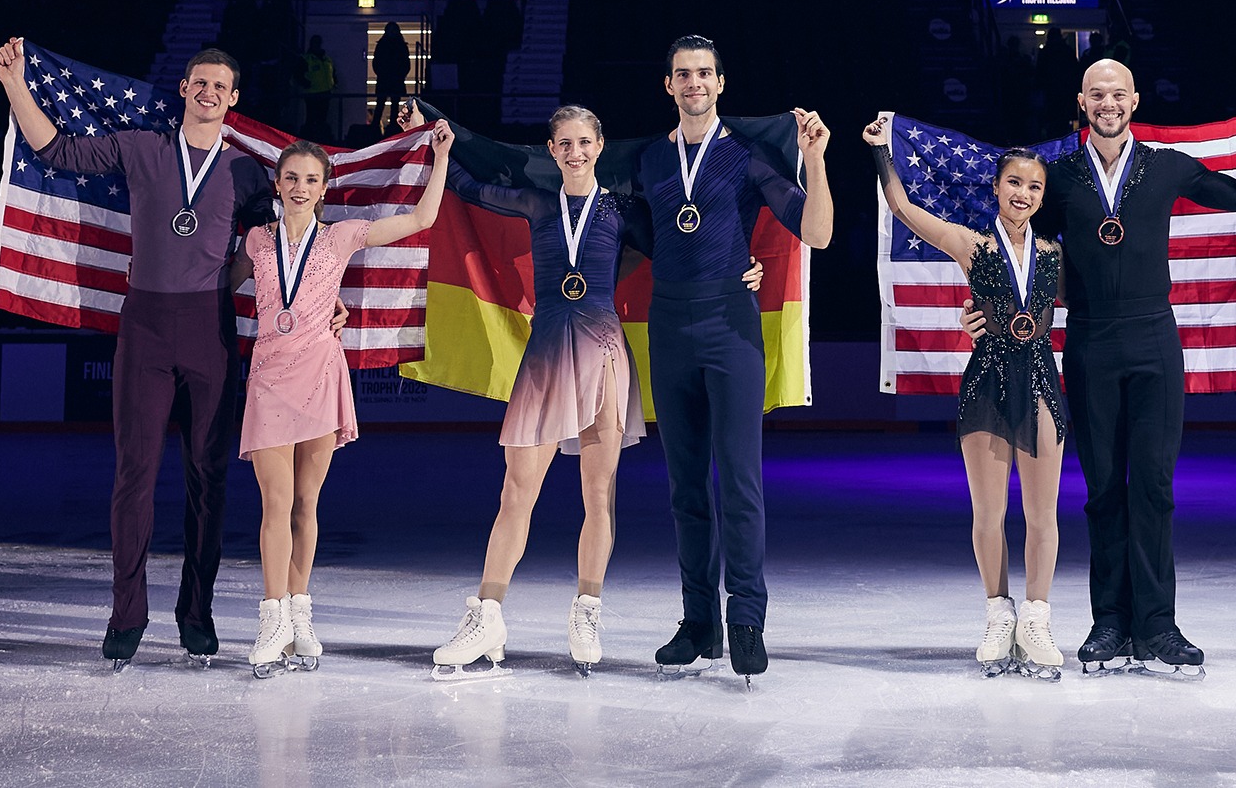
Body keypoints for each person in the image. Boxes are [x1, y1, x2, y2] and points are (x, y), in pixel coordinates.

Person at [962, 60, 1236, 676]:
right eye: (1096, 94)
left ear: (1134, 100)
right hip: (1091, 346)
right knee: (1103, 491)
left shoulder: (1166, 166)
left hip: (1155, 341)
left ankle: (1158, 625)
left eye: (1117, 94)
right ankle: (1109, 624)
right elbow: (1015, 252)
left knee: (1153, 487)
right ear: (1082, 101)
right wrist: (987, 314)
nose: (1108, 103)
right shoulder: (1062, 178)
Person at [397, 102, 764, 677]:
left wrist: (743, 267)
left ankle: (587, 611)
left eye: (584, 142)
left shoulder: (623, 212)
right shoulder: (537, 203)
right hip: (546, 358)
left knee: (600, 496)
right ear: (552, 150)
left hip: (602, 359)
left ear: (599, 146)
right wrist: (435, 143)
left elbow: (688, 240)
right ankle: (487, 615)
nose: (574, 152)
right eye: (563, 143)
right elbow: (467, 189)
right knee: (517, 492)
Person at [0, 39, 275, 671]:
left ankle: (195, 615)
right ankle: (127, 615)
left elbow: (282, 240)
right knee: (133, 475)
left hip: (210, 330)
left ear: (234, 99)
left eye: (220, 87)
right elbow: (57, 150)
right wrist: (15, 83)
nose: (208, 93)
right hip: (144, 326)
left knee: (209, 477)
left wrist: (322, 299)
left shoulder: (247, 172)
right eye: (199, 83)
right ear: (184, 88)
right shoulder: (143, 148)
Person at [638, 35, 833, 685]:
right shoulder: (644, 161)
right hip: (667, 327)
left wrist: (816, 160)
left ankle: (746, 620)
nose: (693, 83)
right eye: (682, 74)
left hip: (730, 327)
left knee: (740, 483)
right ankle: (699, 623)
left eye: (704, 74)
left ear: (720, 83)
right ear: (668, 85)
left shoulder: (746, 157)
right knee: (685, 486)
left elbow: (818, 232)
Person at [231, 122, 455, 677]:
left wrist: (440, 156)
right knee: (274, 507)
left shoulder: (341, 237)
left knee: (306, 505)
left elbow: (421, 220)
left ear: (325, 187)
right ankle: (271, 617)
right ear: (277, 183)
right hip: (269, 379)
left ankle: (300, 614)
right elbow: (212, 281)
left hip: (321, 377)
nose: (301, 187)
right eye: (291, 178)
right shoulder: (257, 241)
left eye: (311, 179)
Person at [865, 120, 1066, 680]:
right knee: (990, 511)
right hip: (987, 385)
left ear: (1042, 196)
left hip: (1041, 383)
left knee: (1043, 514)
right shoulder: (971, 244)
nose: (1023, 193)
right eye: (1014, 183)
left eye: (1034, 186)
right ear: (997, 188)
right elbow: (904, 209)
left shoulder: (1052, 253)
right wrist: (883, 151)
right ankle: (998, 613)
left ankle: (1037, 617)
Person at [371, 22, 411, 134]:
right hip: (395, 80)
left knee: (381, 103)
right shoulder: (401, 45)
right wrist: (400, 75)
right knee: (393, 104)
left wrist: (382, 73)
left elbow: (376, 63)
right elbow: (406, 64)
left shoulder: (381, 45)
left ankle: (375, 127)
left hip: (384, 80)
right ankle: (392, 127)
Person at [300, 35, 336, 143]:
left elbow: (333, 73)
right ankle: (308, 142)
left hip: (326, 93)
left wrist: (335, 83)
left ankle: (321, 141)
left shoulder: (327, 59)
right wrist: (307, 84)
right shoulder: (306, 59)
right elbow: (298, 75)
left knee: (323, 119)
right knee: (311, 119)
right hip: (312, 94)